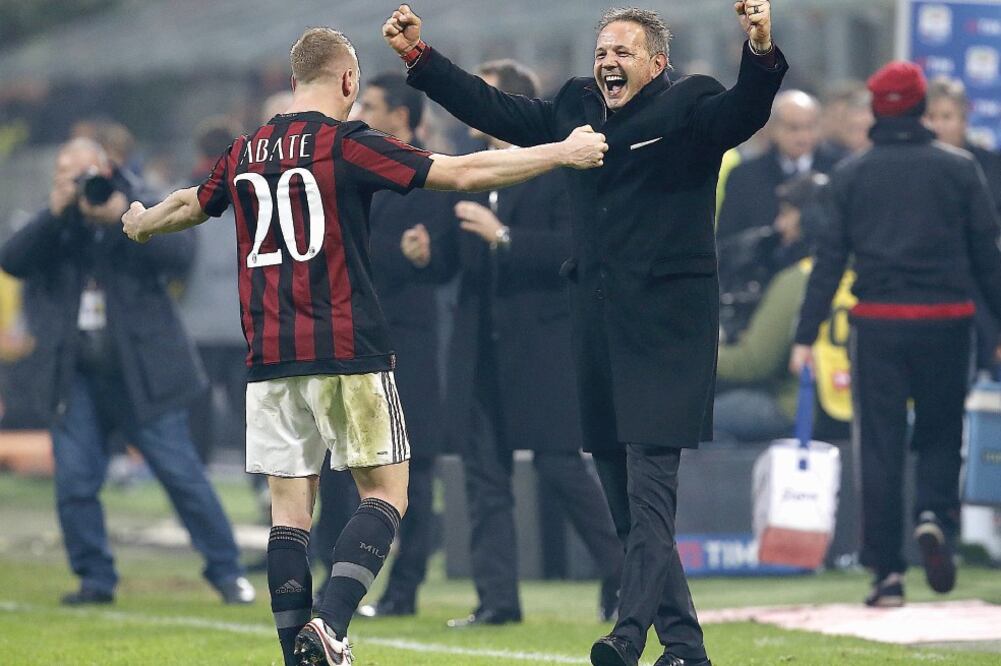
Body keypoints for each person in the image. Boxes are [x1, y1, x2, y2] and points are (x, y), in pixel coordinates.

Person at [121, 26, 607, 666]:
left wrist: (141, 221)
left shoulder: (244, 150)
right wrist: (559, 151)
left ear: (294, 82)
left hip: (269, 357)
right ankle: (328, 626)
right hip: (346, 348)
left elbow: (192, 201)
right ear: (348, 81)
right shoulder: (345, 144)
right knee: (386, 494)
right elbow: (460, 172)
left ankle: (296, 650)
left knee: (290, 514)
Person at [383, 3, 786, 665]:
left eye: (622, 52)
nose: (607, 62)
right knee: (622, 499)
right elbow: (496, 109)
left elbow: (743, 111)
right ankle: (683, 646)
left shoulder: (691, 102)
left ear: (656, 62)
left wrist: (762, 50)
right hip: (595, 325)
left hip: (666, 330)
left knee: (650, 492)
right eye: (602, 51)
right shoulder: (574, 107)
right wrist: (420, 59)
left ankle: (627, 637)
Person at [412, 59, 624, 628]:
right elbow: (453, 260)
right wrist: (428, 254)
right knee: (485, 477)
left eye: (482, 98)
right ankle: (497, 601)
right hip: (478, 346)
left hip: (542, 344)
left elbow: (575, 250)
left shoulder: (560, 169)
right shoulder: (474, 171)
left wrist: (504, 236)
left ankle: (622, 573)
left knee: (561, 467)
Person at [0, 138, 254, 607]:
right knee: (75, 480)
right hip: (75, 375)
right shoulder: (53, 223)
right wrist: (55, 213)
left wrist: (126, 220)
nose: (79, 185)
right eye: (67, 174)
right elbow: (12, 259)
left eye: (85, 174)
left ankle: (228, 571)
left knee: (182, 475)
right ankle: (95, 579)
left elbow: (180, 257)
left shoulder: (138, 201)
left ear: (107, 169)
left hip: (144, 373)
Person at [790, 62, 1001, 608]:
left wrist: (805, 334)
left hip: (879, 324)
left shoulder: (852, 175)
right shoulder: (959, 169)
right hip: (947, 321)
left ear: (879, 108)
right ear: (919, 105)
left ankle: (887, 574)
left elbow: (830, 261)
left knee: (880, 447)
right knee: (939, 433)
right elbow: (987, 259)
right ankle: (934, 516)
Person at [350, 71, 451, 617]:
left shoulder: (428, 175)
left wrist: (411, 255)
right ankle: (343, 579)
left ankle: (404, 588)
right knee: (352, 467)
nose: (361, 111)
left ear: (403, 118)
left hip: (409, 345)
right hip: (359, 341)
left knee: (417, 467)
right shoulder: (353, 169)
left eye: (372, 104)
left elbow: (434, 256)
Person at [714, 173, 829, 442]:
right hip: (847, 409)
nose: (780, 224)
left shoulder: (799, 280)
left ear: (811, 220)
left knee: (700, 415)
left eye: (788, 214)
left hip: (798, 407)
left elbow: (754, 363)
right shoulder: (859, 272)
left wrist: (691, 356)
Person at [177, 117, 248, 461]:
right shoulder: (252, 192)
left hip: (195, 324)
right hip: (244, 322)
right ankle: (265, 488)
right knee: (252, 415)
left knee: (195, 417)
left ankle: (194, 485)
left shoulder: (183, 193)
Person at [924, 76, 1001, 374]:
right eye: (931, 116)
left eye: (947, 117)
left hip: (986, 283)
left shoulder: (992, 168)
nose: (939, 126)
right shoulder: (914, 168)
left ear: (964, 119)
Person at [716, 89, 841, 241]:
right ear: (773, 129)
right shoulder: (744, 176)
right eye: (793, 128)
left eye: (810, 127)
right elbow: (726, 241)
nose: (803, 137)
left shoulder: (839, 170)